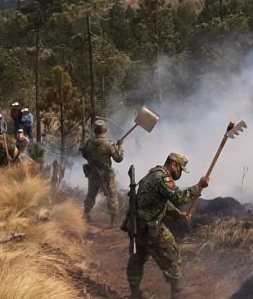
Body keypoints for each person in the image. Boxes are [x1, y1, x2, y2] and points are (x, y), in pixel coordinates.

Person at [126, 152, 209, 299]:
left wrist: (178, 214)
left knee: (137, 259)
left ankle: (135, 292)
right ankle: (176, 293)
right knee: (172, 256)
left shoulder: (153, 174)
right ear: (173, 165)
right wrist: (199, 186)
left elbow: (161, 201)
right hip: (151, 228)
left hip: (138, 226)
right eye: (180, 169)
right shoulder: (163, 178)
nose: (180, 173)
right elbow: (179, 197)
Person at [80, 120, 124, 227]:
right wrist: (120, 146)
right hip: (106, 175)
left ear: (94, 130)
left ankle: (86, 215)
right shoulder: (109, 144)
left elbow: (84, 154)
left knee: (91, 194)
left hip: (93, 174)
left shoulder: (88, 142)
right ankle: (113, 221)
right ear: (105, 130)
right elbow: (119, 158)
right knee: (112, 195)